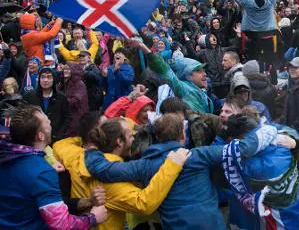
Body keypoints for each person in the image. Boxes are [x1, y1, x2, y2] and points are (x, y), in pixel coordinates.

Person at [83, 113, 285, 230]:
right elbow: (242, 149)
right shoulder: (198, 155)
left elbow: (104, 169)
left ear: (157, 137)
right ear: (182, 135)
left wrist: (91, 149)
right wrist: (269, 130)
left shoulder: (144, 165)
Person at [53, 114, 189, 230]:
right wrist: (172, 165)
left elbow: (59, 145)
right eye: (131, 136)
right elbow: (144, 204)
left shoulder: (76, 155)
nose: (134, 139)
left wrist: (91, 141)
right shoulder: (111, 179)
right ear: (119, 141)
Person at [0, 104, 107, 229]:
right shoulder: (41, 171)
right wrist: (92, 217)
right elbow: (61, 224)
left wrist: (86, 202)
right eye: (46, 120)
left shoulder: (6, 156)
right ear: (40, 136)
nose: (50, 121)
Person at [130, 39, 218, 114]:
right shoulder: (184, 89)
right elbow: (165, 70)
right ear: (187, 76)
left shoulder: (204, 91)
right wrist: (145, 48)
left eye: (204, 70)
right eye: (198, 71)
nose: (205, 74)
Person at [223, 0, 286, 67]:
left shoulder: (248, 3)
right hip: (268, 34)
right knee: (270, 58)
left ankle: (253, 75)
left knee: (253, 58)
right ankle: (273, 79)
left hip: (251, 35)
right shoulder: (270, 1)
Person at [23, 67, 71, 142]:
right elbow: (24, 116)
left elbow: (67, 117)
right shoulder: (29, 96)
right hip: (34, 138)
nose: (45, 80)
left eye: (49, 77)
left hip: (54, 139)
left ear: (54, 79)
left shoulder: (61, 98)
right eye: (42, 77)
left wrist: (59, 134)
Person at [58, 63, 89, 137]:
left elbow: (76, 100)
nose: (66, 71)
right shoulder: (64, 82)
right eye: (64, 69)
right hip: (68, 116)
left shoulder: (80, 84)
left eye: (68, 69)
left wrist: (61, 102)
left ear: (74, 71)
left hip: (77, 116)